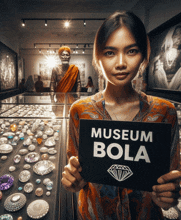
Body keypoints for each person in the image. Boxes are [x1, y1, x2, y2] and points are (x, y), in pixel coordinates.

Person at [61, 11, 181, 220]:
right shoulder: (79, 111)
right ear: (98, 57)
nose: (121, 63)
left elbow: (171, 177)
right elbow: (75, 171)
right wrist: (73, 181)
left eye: (132, 51)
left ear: (144, 55)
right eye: (110, 53)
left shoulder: (164, 112)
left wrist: (169, 193)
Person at [149, 25, 181, 90]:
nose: (179, 38)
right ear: (171, 35)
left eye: (180, 35)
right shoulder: (161, 53)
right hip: (160, 86)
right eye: (176, 34)